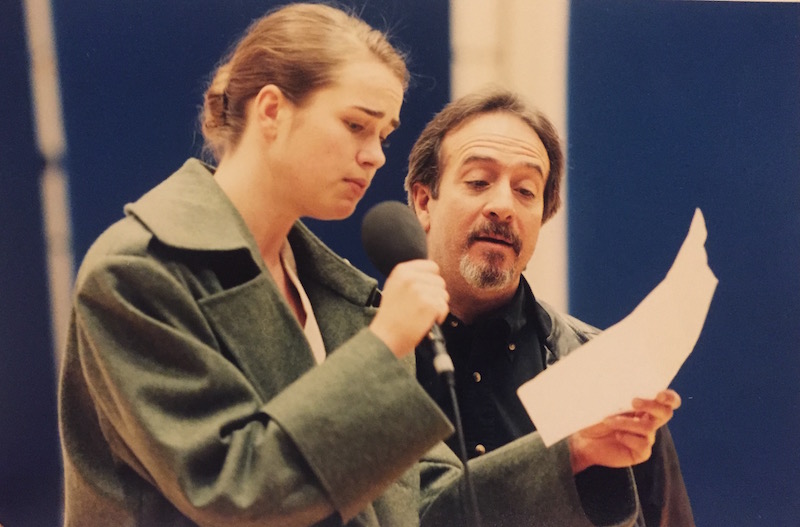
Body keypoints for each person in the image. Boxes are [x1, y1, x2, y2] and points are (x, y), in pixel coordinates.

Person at [59, 4, 668, 526]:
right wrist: (383, 346)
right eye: (356, 125)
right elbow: (231, 492)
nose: (375, 156)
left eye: (385, 132)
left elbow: (419, 510)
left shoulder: (335, 294)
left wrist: (571, 451)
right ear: (271, 111)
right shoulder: (136, 272)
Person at [406, 88, 696, 526]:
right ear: (424, 201)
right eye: (479, 182)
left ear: (543, 215)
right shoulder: (365, 350)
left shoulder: (600, 368)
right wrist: (568, 454)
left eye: (525, 190)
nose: (503, 206)